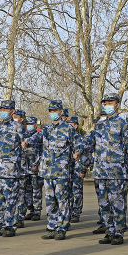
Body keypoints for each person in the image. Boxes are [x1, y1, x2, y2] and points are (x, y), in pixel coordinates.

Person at [75, 93, 128, 245]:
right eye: (106, 103)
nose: (108, 105)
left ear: (117, 105)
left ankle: (118, 233)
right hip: (101, 171)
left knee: (117, 203)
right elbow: (89, 140)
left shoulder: (123, 124)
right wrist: (80, 149)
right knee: (104, 204)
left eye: (111, 103)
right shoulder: (99, 125)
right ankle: (109, 230)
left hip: (117, 172)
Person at [24, 100, 78, 240]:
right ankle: (52, 226)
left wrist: (77, 154)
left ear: (61, 112)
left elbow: (79, 144)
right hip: (47, 171)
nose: (53, 113)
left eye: (56, 111)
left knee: (62, 200)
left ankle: (62, 227)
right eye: (51, 111)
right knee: (50, 200)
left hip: (61, 171)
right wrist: (27, 141)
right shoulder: (46, 129)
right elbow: (36, 137)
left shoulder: (68, 129)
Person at [0, 100, 27, 237]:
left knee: (10, 200)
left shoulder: (19, 127)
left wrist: (21, 168)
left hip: (11, 171)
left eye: (6, 109)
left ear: (12, 111)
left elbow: (24, 148)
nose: (3, 111)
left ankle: (10, 226)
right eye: (2, 109)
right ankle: (1, 226)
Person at [24, 116, 44, 221]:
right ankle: (30, 209)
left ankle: (37, 211)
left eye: (31, 124)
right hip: (25, 168)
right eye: (28, 124)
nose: (29, 126)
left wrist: (37, 164)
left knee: (36, 190)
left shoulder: (39, 136)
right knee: (27, 190)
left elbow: (42, 152)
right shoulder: (24, 135)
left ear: (36, 124)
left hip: (35, 168)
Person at [68, 116, 84, 223]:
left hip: (77, 169)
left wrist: (82, 170)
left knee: (77, 191)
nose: (69, 125)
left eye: (71, 124)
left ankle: (76, 212)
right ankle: (68, 212)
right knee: (67, 192)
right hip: (66, 169)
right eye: (68, 123)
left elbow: (84, 156)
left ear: (76, 125)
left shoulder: (80, 139)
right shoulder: (65, 137)